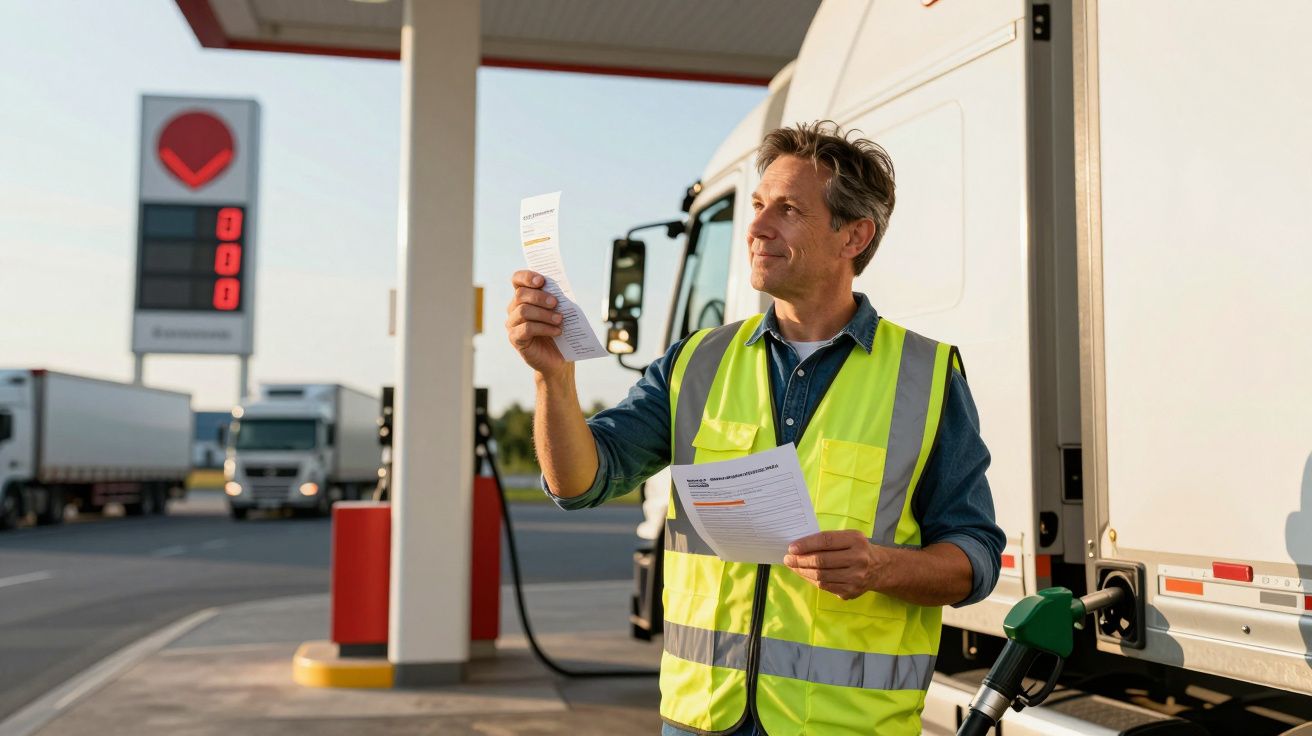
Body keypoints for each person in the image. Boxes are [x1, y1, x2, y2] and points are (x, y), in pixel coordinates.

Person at [505, 122, 1004, 735]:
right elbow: (581, 483)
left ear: (855, 235)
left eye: (789, 210)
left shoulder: (926, 375)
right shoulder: (696, 362)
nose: (758, 227)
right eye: (760, 206)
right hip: (700, 721)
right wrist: (553, 381)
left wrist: (880, 566)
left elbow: (975, 559)